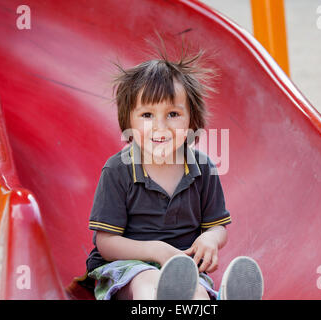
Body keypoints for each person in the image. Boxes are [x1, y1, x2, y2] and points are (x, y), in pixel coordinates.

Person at [85, 45, 263, 300]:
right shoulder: (118, 170)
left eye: (173, 114)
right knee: (147, 281)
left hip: (184, 267)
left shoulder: (203, 169)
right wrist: (156, 251)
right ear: (129, 122)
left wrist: (211, 240)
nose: (161, 127)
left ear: (191, 120)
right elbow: (106, 243)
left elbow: (217, 226)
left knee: (197, 291)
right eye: (147, 115)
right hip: (127, 266)